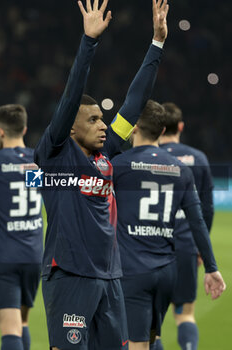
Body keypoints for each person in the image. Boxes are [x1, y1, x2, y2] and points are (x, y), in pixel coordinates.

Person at [34, 0, 169, 349]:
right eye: (92, 120)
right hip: (69, 276)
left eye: (102, 119)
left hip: (110, 278)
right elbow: (70, 97)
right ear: (71, 127)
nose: (103, 126)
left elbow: (134, 103)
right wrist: (88, 42)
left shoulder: (107, 155)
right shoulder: (56, 154)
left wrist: (157, 43)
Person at [111, 99, 226, 350]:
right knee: (153, 336)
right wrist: (211, 267)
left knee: (136, 343)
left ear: (133, 128)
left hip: (134, 270)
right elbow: (197, 220)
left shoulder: (118, 166)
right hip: (166, 272)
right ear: (163, 131)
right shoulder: (181, 169)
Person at [157, 102, 214, 350]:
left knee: (150, 324)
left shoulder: (146, 157)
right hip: (186, 247)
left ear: (158, 128)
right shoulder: (198, 158)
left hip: (152, 246)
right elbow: (207, 209)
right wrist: (201, 246)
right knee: (185, 315)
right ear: (180, 126)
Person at [0, 104, 43, 350]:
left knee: (10, 328)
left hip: (5, 256)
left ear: (0, 132)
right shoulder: (36, 162)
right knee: (23, 321)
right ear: (24, 128)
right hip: (33, 255)